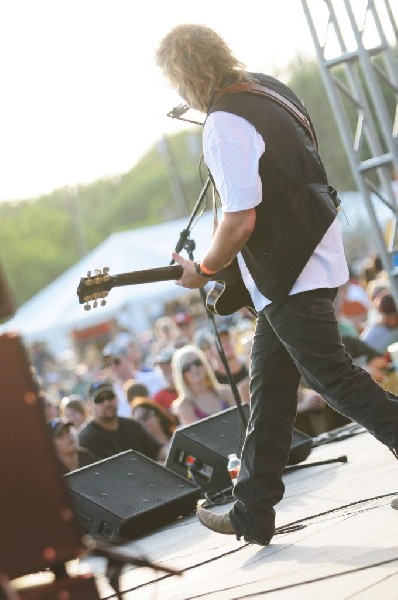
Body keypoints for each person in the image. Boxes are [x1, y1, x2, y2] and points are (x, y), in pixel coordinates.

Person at [155, 24, 398, 544]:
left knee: (333, 379)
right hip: (311, 251)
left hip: (289, 269)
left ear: (182, 75)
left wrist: (205, 269)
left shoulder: (224, 121)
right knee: (270, 387)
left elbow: (240, 219)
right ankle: (253, 510)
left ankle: (254, 508)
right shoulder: (269, 90)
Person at [78, 380, 166, 462]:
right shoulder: (86, 439)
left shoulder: (132, 425)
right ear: (90, 405)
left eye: (110, 397)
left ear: (117, 398)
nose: (107, 403)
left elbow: (158, 453)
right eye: (99, 400)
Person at [171, 344, 236, 425]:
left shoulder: (226, 392)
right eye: (187, 367)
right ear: (181, 374)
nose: (194, 369)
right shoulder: (184, 406)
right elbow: (198, 435)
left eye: (197, 363)